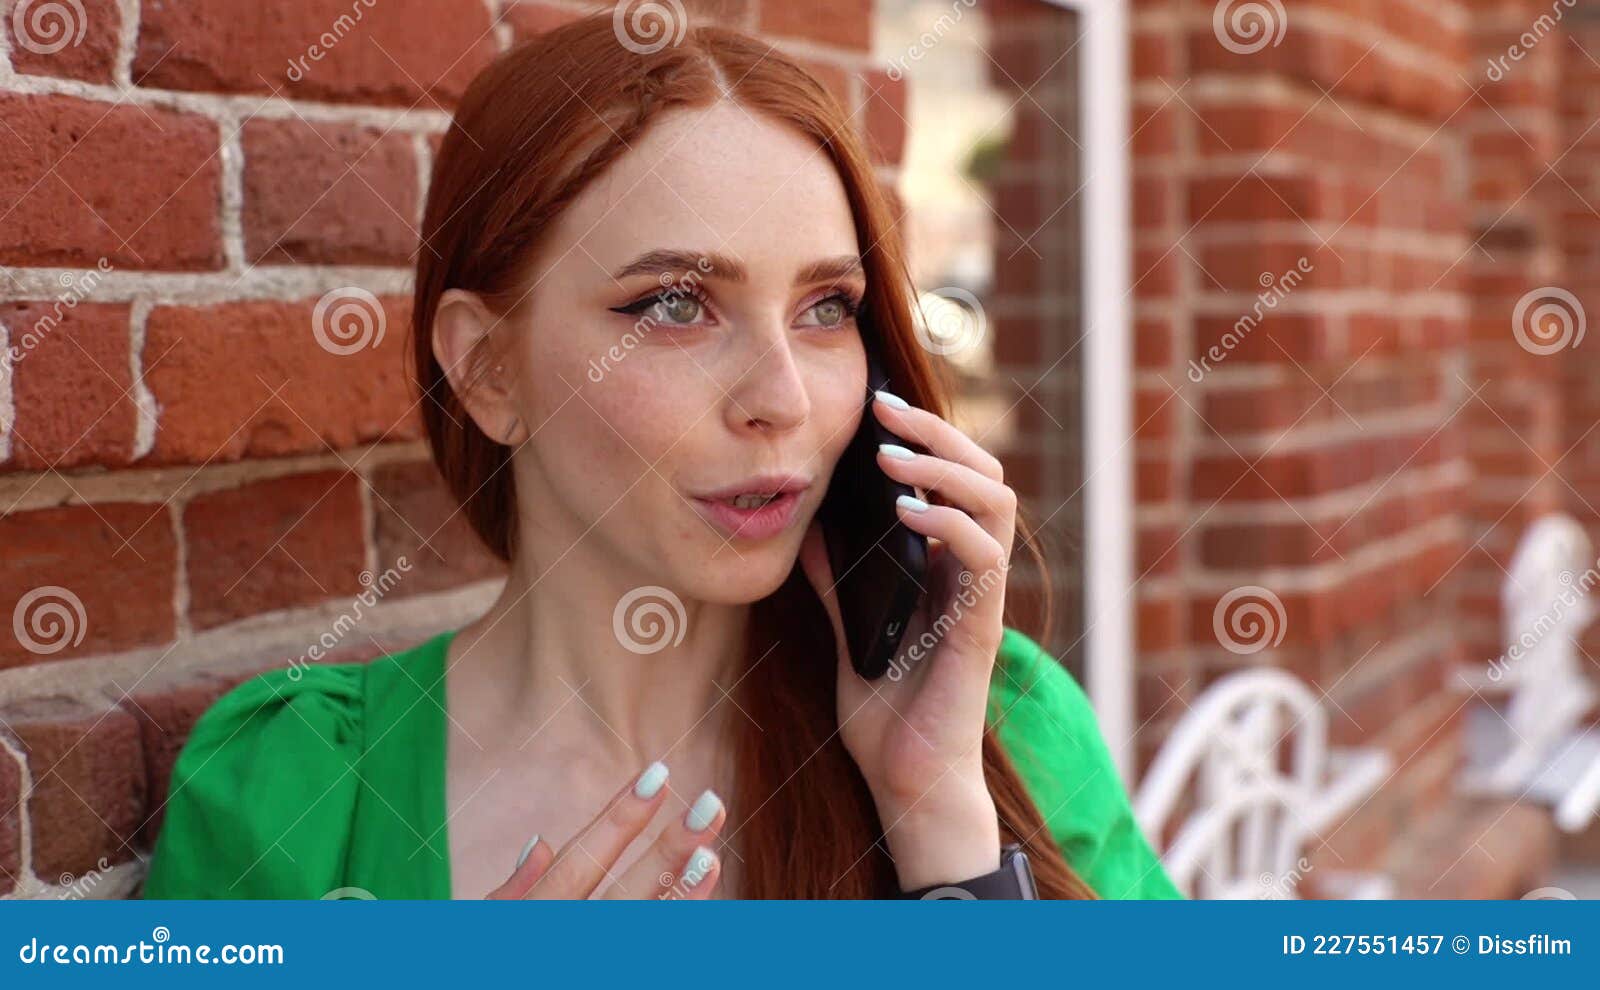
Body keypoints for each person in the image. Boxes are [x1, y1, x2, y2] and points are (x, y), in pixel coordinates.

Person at [141, 11, 1181, 901]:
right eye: (676, 305)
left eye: (827, 308)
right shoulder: (297, 791)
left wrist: (939, 827)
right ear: (488, 371)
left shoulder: (1001, 731)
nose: (782, 399)